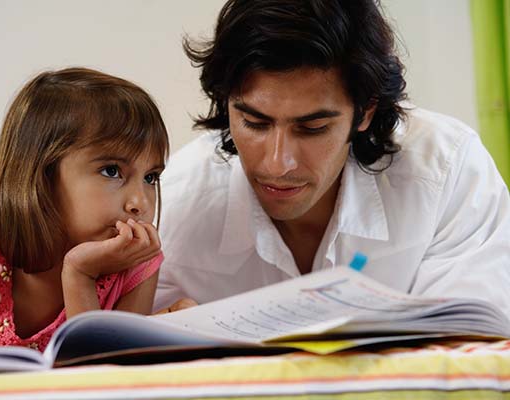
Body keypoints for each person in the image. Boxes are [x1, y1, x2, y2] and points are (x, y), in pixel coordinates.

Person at [154, 0, 510, 315]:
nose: (278, 164)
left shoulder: (448, 171)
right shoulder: (173, 206)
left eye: (312, 128)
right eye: (254, 123)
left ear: (366, 111)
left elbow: (474, 348)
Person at [0, 67, 168, 355]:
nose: (140, 202)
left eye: (151, 177)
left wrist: (79, 274)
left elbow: (105, 381)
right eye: (112, 171)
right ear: (41, 177)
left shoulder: (136, 267)